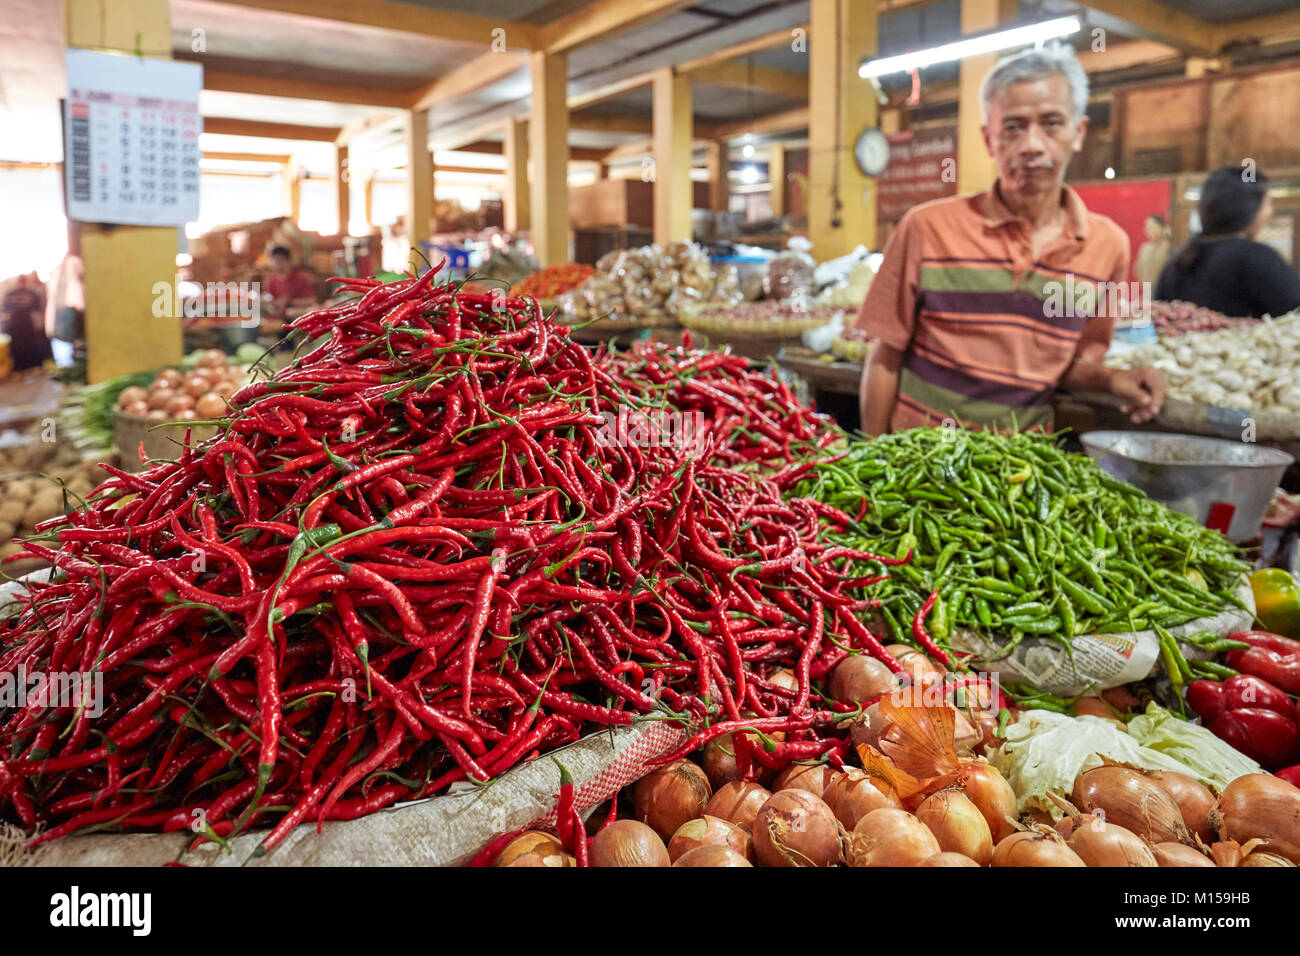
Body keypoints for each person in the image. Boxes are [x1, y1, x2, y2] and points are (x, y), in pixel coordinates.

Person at [851, 43, 1164, 435]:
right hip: (917, 465)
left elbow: (1074, 363)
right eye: (1013, 127)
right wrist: (873, 459)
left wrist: (1112, 378)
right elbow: (884, 356)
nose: (1032, 145)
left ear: (1078, 132)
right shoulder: (926, 228)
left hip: (1020, 475)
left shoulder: (1107, 247)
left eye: (1051, 123)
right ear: (988, 139)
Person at [1155, 168, 1300, 318]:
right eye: (1268, 203)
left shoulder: (1178, 262)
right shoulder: (1257, 257)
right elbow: (1294, 314)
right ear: (1250, 209)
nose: (1270, 212)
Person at [3, 273, 53, 371]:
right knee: (25, 346)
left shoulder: (11, 293)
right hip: (23, 324)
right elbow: (37, 309)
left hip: (19, 325)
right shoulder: (30, 293)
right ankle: (28, 367)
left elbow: (5, 309)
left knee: (20, 347)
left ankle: (21, 368)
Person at [265, 245, 318, 320]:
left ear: (288, 261)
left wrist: (289, 302)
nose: (276, 264)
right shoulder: (271, 280)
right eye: (273, 261)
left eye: (279, 261)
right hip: (275, 321)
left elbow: (312, 300)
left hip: (296, 319)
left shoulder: (301, 278)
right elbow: (267, 299)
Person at [1134, 215, 1171, 288]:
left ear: (1162, 227)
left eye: (1152, 226)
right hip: (1148, 290)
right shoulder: (1145, 248)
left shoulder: (1167, 246)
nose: (1148, 229)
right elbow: (1138, 270)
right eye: (1147, 226)